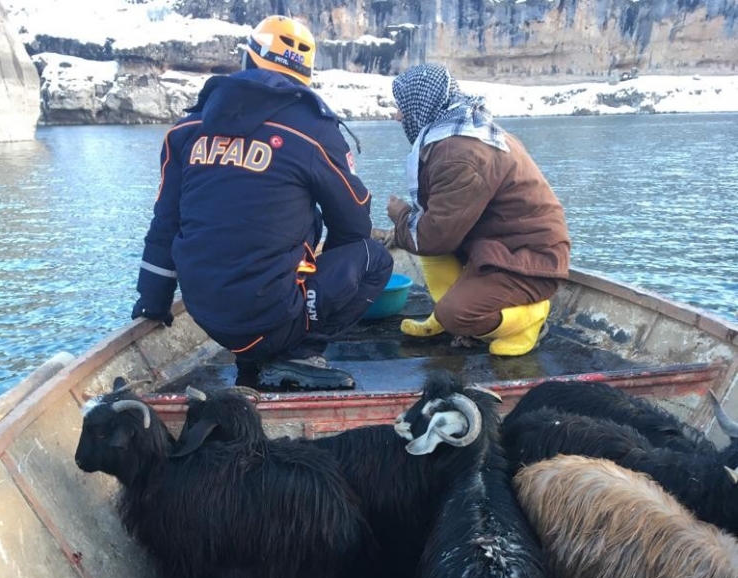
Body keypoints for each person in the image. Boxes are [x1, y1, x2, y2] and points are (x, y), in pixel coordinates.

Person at [131, 15, 393, 391]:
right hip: (270, 318)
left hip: (207, 316)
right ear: (304, 76)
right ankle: (300, 353)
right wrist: (323, 282)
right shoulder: (313, 130)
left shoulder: (187, 129)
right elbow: (354, 226)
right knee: (374, 257)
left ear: (248, 60)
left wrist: (152, 300)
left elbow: (165, 224)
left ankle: (262, 345)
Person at [387, 63, 570, 357]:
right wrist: (410, 223)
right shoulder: (458, 134)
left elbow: (434, 238)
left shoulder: (458, 154)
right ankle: (449, 314)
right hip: (498, 249)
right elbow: (438, 230)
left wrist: (400, 216)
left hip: (530, 260)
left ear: (423, 103)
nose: (398, 116)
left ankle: (529, 319)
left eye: (402, 107)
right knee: (429, 248)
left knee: (457, 314)